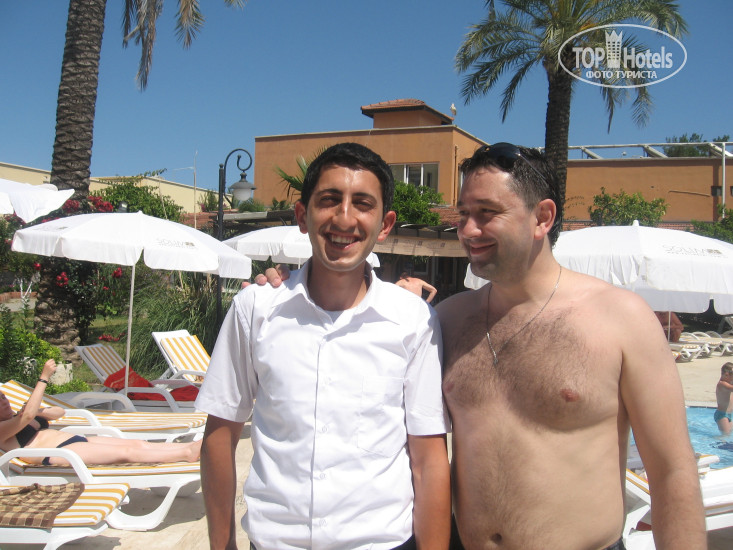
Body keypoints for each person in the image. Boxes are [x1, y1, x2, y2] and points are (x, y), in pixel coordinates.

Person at [436, 143, 705, 549]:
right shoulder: (450, 319)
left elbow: (672, 471)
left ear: (542, 217)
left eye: (487, 213)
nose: (468, 230)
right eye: (464, 214)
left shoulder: (621, 318)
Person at [196, 143, 450, 550]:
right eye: (329, 200)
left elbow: (429, 459)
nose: (344, 218)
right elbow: (220, 434)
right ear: (303, 215)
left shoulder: (413, 321)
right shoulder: (256, 309)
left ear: (385, 224)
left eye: (362, 204)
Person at [0, 359, 201, 465]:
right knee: (126, 454)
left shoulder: (20, 416)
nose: (4, 402)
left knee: (136, 443)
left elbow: (59, 413)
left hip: (73, 441)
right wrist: (44, 378)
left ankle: (190, 446)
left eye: (3, 397)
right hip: (58, 453)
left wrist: (38, 410)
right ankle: (186, 453)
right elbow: (28, 417)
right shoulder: (3, 429)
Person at [715, 362, 733, 435]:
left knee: (729, 434)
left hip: (729, 414)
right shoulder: (721, 384)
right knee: (725, 435)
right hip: (722, 415)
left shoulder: (729, 382)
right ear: (726, 374)